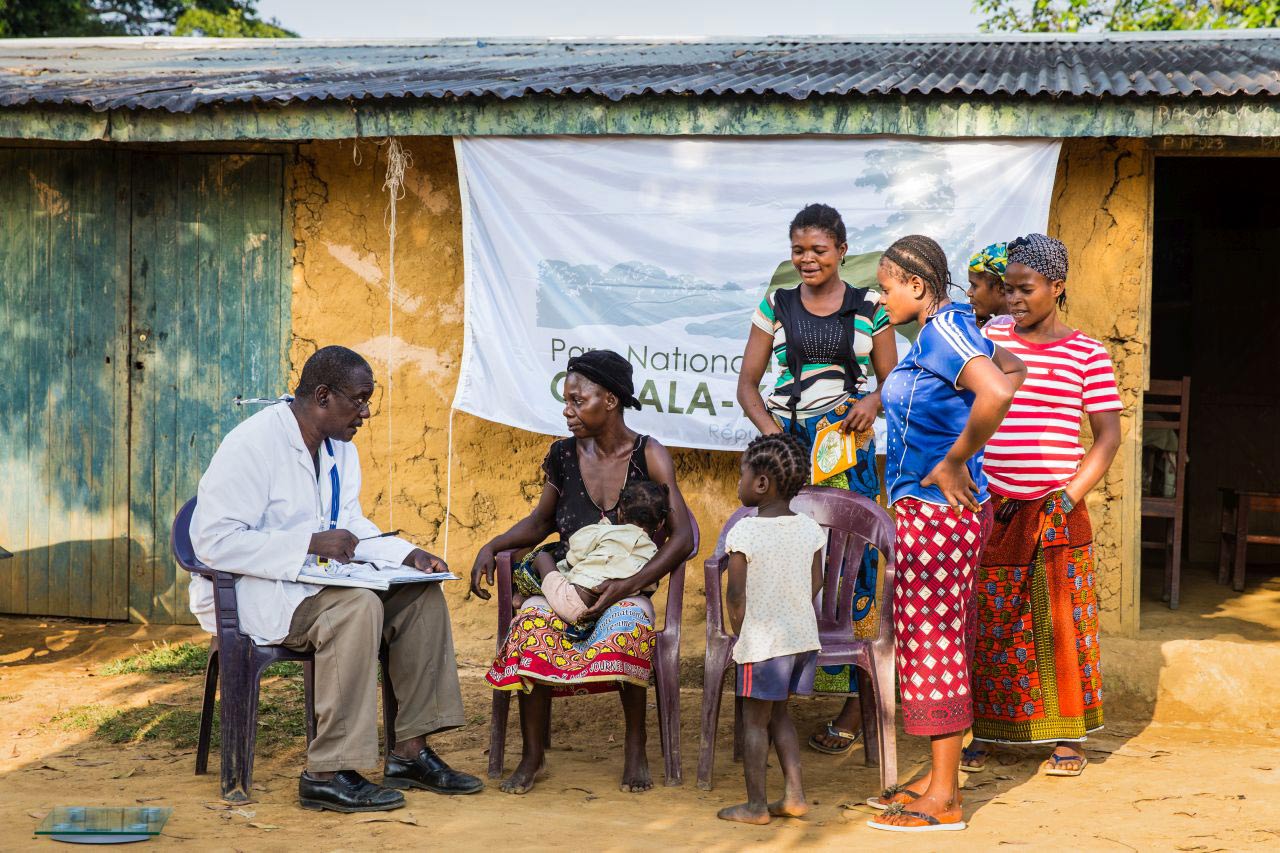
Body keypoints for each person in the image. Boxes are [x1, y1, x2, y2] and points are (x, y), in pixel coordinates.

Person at [189, 345, 482, 813]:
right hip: (260, 593)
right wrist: (307, 542)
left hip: (320, 584)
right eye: (359, 400)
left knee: (421, 597)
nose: (366, 412)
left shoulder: (339, 449)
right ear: (322, 396)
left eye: (369, 401)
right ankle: (326, 773)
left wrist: (406, 553)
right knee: (358, 607)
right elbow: (212, 541)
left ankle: (410, 752)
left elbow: (349, 526)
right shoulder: (253, 444)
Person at [474, 349, 695, 795]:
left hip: (624, 584)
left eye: (578, 400)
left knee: (631, 625)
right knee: (530, 628)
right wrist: (493, 545)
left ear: (610, 401)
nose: (567, 410)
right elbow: (541, 523)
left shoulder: (648, 455)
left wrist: (628, 586)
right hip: (568, 579)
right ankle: (532, 754)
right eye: (566, 400)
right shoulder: (562, 455)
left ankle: (636, 744)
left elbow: (684, 536)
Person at [864, 235, 1025, 833]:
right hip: (928, 513)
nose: (882, 301)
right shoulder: (947, 331)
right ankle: (937, 782)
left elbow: (1001, 388)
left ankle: (946, 799)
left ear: (916, 285)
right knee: (934, 643)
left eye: (886, 289)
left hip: (939, 514)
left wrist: (957, 460)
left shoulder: (944, 332)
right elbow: (1014, 367)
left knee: (932, 646)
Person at [735, 202, 898, 756]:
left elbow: (892, 382)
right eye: (799, 250)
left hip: (846, 457)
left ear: (842, 251)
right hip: (787, 461)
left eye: (819, 250)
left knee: (855, 571)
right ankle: (772, 694)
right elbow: (748, 386)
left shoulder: (869, 307)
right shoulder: (775, 305)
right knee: (780, 567)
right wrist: (774, 438)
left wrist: (872, 402)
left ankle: (856, 703)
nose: (807, 260)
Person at [965, 233, 1122, 778]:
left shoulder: (1087, 353)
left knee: (1059, 621)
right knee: (992, 620)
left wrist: (1068, 495)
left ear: (1057, 287)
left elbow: (1106, 438)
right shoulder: (990, 339)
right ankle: (985, 730)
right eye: (1007, 289)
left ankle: (1068, 738)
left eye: (1025, 289)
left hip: (1056, 506)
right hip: (996, 504)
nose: (1013, 299)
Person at [717, 433, 826, 826]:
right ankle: (794, 797)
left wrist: (742, 633)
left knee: (753, 722)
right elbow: (816, 580)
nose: (739, 483)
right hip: (801, 639)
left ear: (761, 483)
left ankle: (755, 806)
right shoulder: (810, 529)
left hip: (763, 644)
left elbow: (734, 595)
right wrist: (790, 608)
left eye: (742, 475)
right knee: (780, 715)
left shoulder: (745, 531)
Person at [518, 481, 667, 641]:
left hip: (571, 601)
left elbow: (572, 557)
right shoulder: (655, 555)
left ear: (620, 513)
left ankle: (522, 594)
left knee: (543, 558)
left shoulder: (604, 532)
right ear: (660, 524)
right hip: (603, 611)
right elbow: (649, 585)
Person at [966, 241, 1014, 328]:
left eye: (974, 286)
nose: (968, 293)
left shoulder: (999, 334)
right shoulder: (1022, 327)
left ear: (1001, 288)